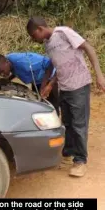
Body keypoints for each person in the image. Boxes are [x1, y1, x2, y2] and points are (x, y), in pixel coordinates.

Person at [26, 16, 105, 177]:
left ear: (40, 29)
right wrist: (49, 84)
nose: (34, 40)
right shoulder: (48, 44)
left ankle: (80, 160)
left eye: (34, 36)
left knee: (78, 124)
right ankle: (68, 153)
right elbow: (58, 65)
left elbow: (88, 48)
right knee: (67, 122)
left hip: (79, 85)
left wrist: (99, 75)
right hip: (64, 87)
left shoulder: (64, 33)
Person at [0, 52, 60, 116]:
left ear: (7, 62)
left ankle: (59, 123)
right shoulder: (7, 63)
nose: (2, 74)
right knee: (41, 105)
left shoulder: (25, 62)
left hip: (50, 78)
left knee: (53, 105)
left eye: (2, 71)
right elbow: (16, 70)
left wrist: (45, 86)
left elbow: (49, 65)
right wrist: (8, 79)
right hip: (37, 80)